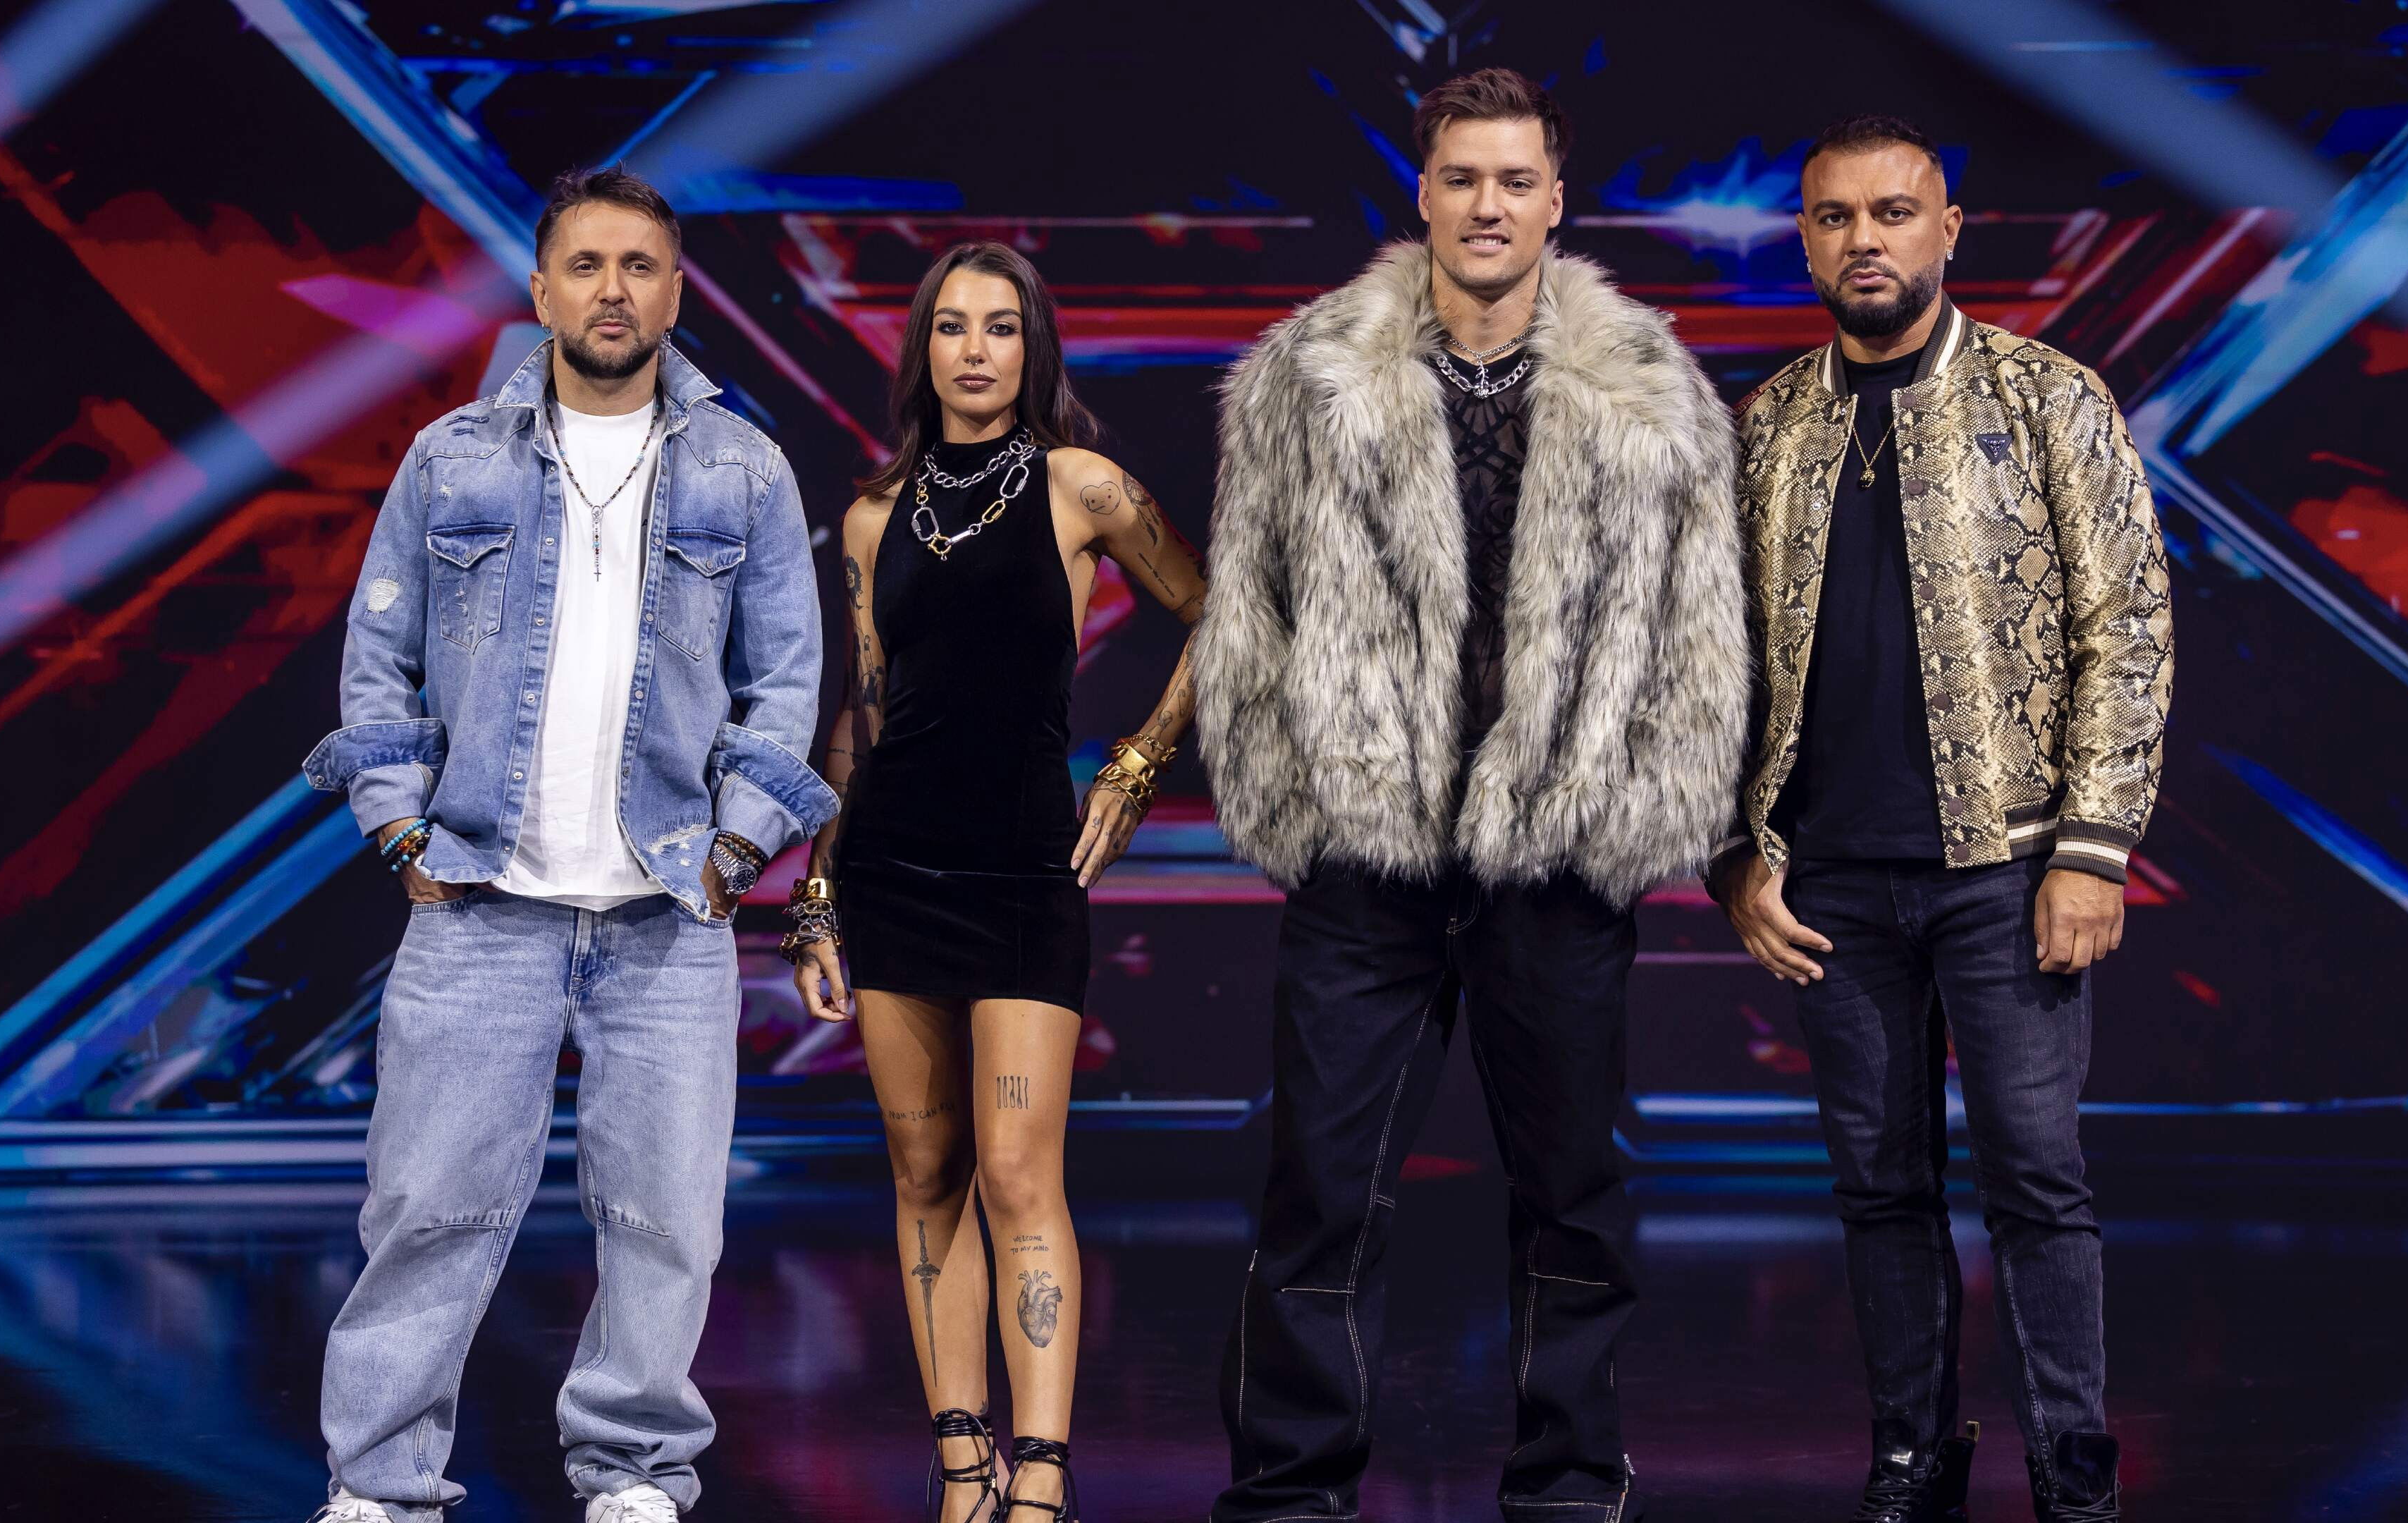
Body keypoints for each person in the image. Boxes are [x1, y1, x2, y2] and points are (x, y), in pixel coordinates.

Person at [1195, 67, 1749, 1523]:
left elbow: (1703, 633)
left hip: (1554, 854)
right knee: (1318, 1187)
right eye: (1462, 179)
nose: (1487, 206)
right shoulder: (1308, 371)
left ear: (1557, 199)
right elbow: (1247, 612)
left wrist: (1636, 817)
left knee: (1574, 1192)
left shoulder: (1653, 386)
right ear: (1424, 193)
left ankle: (1569, 1487)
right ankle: (1291, 1493)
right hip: (1369, 853)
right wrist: (1295, 804)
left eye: (1514, 181)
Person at [297, 165, 834, 1523]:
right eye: (585, 266)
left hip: (668, 910)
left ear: (675, 292)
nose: (612, 290)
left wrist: (736, 850)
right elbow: (377, 660)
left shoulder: (742, 466)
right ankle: (381, 1485)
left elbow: (786, 681)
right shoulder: (452, 458)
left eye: (638, 266)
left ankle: (636, 1471)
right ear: (541, 292)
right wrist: (400, 828)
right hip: (482, 902)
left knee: (667, 1224)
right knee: (425, 1211)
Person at [1708, 116, 2173, 1522]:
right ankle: (1914, 1454)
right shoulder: (1769, 426)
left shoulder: (2047, 398)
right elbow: (1717, 663)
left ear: (1948, 229)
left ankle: (2071, 1460)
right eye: (1836, 217)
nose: (1866, 240)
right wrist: (1734, 853)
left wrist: (2094, 847)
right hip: (1832, 883)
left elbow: (2127, 626)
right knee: (1877, 1184)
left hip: (2010, 867)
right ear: (1806, 240)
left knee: (2036, 1176)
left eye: (1893, 212)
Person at [780, 240, 1207, 1523]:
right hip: (893, 871)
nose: (976, 349)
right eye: (953, 326)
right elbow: (862, 716)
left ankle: (1044, 1475)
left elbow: (1222, 609)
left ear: (1034, 347)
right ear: (922, 348)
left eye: (1002, 326)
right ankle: (964, 1469)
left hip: (1023, 872)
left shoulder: (1083, 487)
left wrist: (1138, 763)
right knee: (926, 1177)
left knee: (1019, 1174)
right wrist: (818, 892)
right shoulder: (873, 518)